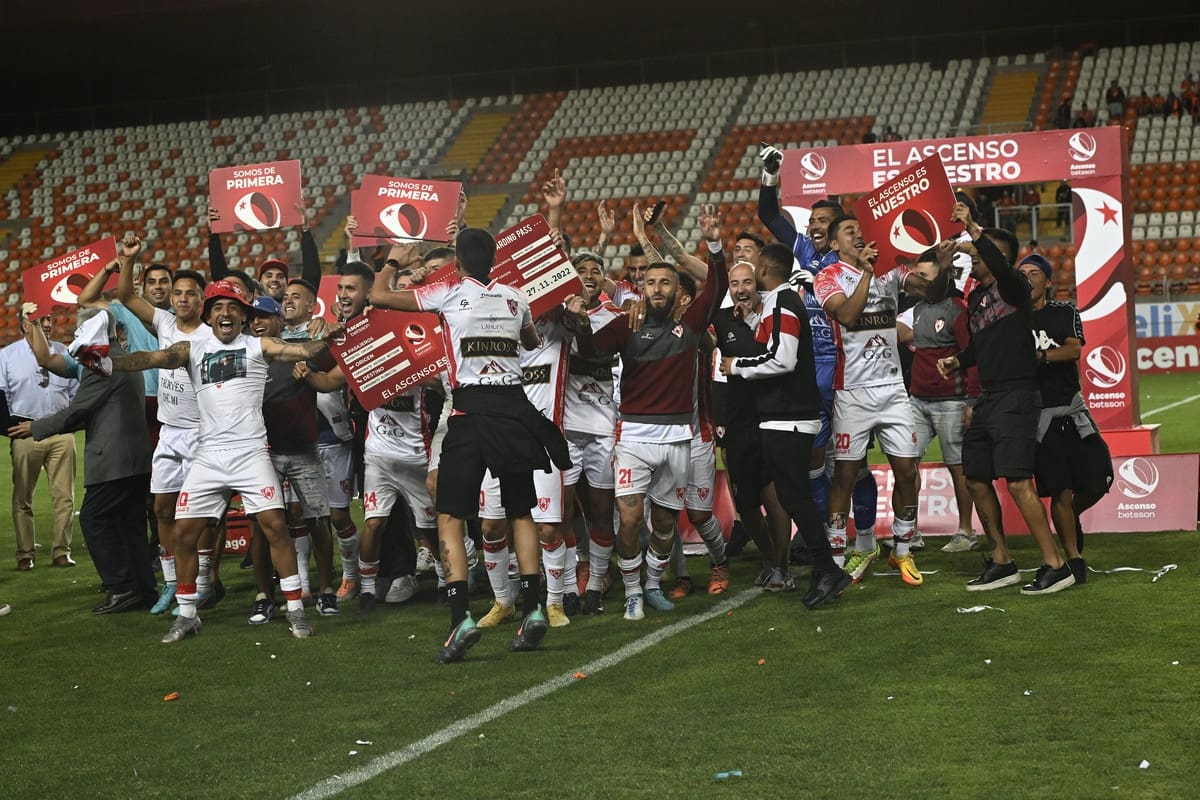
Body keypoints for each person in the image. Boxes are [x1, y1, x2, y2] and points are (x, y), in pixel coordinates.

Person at [368, 228, 571, 663]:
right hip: (514, 412)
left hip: (470, 413)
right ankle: (534, 609)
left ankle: (461, 617)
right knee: (521, 511)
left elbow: (378, 296)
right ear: (494, 259)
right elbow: (531, 342)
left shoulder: (448, 292)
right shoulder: (515, 296)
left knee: (450, 516)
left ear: (457, 262)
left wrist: (395, 260)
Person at [110, 279, 340, 641]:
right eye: (217, 307)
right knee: (184, 533)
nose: (225, 312)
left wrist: (329, 337)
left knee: (275, 527)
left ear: (244, 316)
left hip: (250, 452)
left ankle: (295, 609)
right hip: (209, 455)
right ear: (208, 316)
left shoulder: (258, 345)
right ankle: (188, 615)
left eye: (232, 307)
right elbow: (155, 359)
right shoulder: (191, 348)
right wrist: (109, 362)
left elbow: (299, 350)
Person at [575, 205, 728, 621]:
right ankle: (632, 592)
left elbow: (717, 287)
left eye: (665, 283)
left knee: (663, 524)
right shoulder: (627, 324)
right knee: (628, 519)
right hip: (634, 439)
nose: (657, 288)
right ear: (641, 288)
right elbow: (591, 351)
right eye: (651, 282)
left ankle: (653, 583)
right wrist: (580, 324)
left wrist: (715, 244)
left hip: (678, 438)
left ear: (678, 291)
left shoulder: (690, 325)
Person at [937, 203, 1076, 596]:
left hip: (1017, 394)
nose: (973, 257)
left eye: (979, 253)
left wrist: (972, 227)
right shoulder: (978, 299)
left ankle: (1055, 565)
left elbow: (1000, 265)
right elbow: (981, 346)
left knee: (1017, 482)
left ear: (996, 256)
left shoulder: (1014, 288)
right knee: (976, 478)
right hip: (988, 397)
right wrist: (958, 360)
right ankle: (1002, 561)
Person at [813, 215, 954, 587]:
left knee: (907, 471)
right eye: (849, 231)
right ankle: (836, 559)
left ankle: (902, 550)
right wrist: (866, 272)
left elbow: (931, 293)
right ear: (834, 244)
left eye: (860, 231)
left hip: (892, 390)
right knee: (844, 476)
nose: (858, 235)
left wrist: (942, 265)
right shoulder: (827, 277)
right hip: (852, 392)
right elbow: (847, 315)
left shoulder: (891, 270)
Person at [720, 245, 853, 608]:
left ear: (763, 269)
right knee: (794, 496)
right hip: (783, 416)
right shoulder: (777, 304)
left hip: (789, 417)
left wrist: (736, 366)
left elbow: (783, 359)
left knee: (795, 497)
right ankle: (826, 569)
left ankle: (827, 569)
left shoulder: (783, 303)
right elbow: (774, 345)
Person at [19, 308, 154, 613]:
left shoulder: (102, 366)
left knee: (93, 519)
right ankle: (142, 587)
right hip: (135, 458)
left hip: (114, 460)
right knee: (131, 524)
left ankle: (121, 587)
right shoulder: (120, 359)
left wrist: (35, 427)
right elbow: (49, 361)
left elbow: (78, 410)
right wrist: (35, 323)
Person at [114, 236, 215, 614]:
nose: (182, 298)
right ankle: (172, 582)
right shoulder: (165, 321)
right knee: (161, 509)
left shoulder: (211, 335)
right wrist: (129, 259)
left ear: (202, 299)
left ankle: (202, 583)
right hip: (169, 432)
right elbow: (126, 296)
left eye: (190, 293)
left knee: (198, 515)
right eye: (178, 293)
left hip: (201, 434)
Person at [1018, 254, 1113, 584]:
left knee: (1101, 478)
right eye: (1022, 273)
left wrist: (1039, 356)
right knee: (1059, 489)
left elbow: (1073, 350)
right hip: (1038, 417)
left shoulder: (1064, 312)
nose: (1027, 278)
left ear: (1047, 281)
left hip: (1072, 411)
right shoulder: (1011, 319)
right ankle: (1074, 558)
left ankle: (1071, 517)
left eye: (1034, 273)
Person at [897, 249, 979, 553]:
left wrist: (971, 401)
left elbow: (972, 356)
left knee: (958, 467)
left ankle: (966, 531)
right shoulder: (916, 309)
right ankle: (910, 531)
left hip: (951, 401)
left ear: (942, 277)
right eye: (916, 275)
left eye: (924, 276)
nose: (918, 281)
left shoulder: (958, 310)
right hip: (917, 400)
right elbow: (897, 334)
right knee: (906, 464)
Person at [562, 251, 623, 615]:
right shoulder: (557, 315)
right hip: (565, 427)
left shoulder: (614, 316)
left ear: (603, 279)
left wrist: (581, 324)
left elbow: (599, 355)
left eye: (595, 271)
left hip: (602, 427)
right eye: (580, 270)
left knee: (601, 511)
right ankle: (570, 588)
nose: (588, 275)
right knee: (563, 511)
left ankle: (597, 586)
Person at [0, 307, 79, 571]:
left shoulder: (65, 352)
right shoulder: (7, 356)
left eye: (48, 319)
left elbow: (77, 395)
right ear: (25, 324)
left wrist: (68, 424)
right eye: (38, 319)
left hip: (60, 433)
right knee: (22, 498)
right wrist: (11, 429)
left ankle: (62, 551)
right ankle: (25, 554)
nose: (46, 324)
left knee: (65, 497)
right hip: (25, 433)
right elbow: (0, 398)